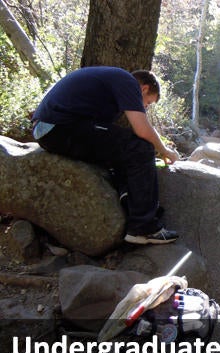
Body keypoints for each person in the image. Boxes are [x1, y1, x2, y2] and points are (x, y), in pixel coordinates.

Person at [32, 66, 180, 245]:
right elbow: (142, 129)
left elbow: (109, 142)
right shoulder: (128, 81)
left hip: (53, 129)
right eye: (147, 103)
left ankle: (127, 200)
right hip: (59, 127)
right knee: (140, 148)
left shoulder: (110, 91)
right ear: (144, 89)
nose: (144, 108)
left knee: (123, 149)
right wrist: (165, 150)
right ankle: (144, 227)